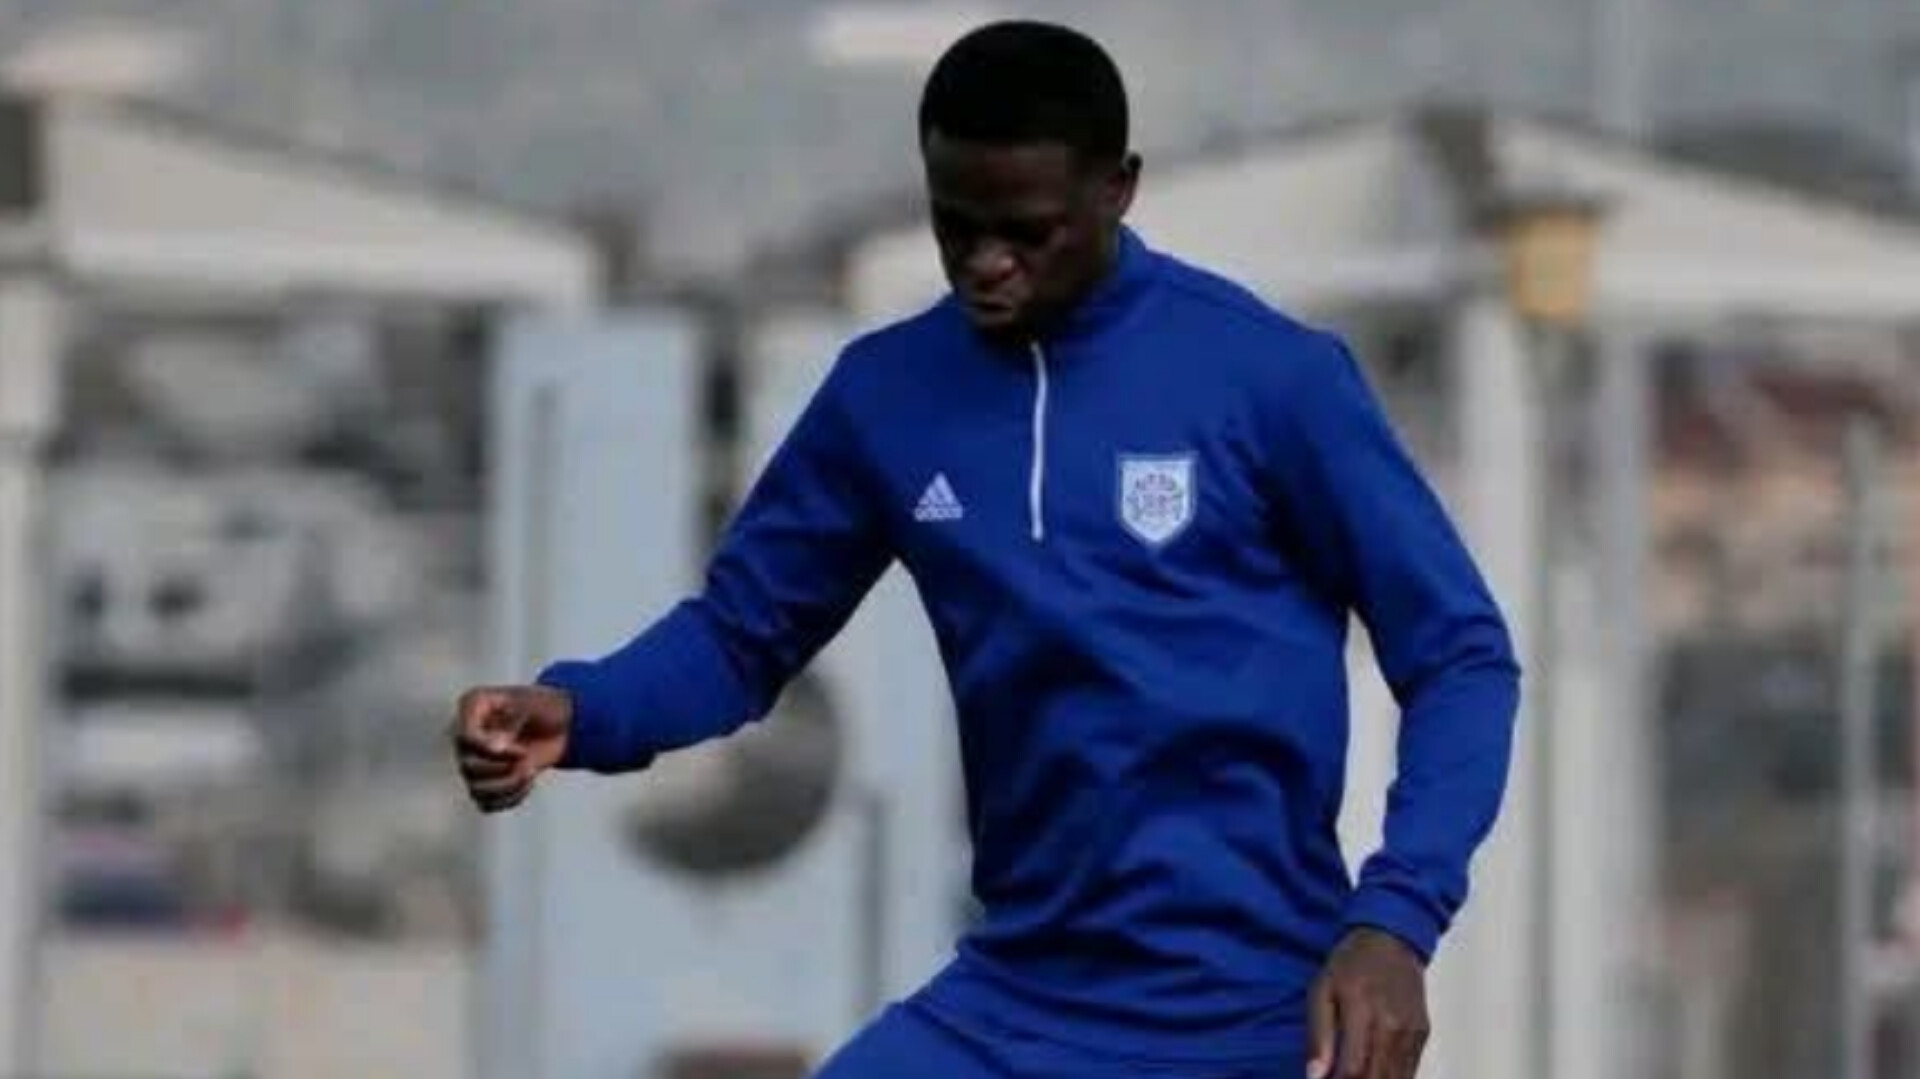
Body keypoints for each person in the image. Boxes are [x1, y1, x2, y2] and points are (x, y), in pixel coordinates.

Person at [450, 19, 1520, 1079]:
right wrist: (584, 709)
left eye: (1027, 231)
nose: (985, 262)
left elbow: (1461, 654)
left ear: (1119, 189)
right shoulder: (887, 397)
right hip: (1016, 1000)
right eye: (953, 225)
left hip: (1253, 1013)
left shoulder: (1275, 379)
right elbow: (740, 636)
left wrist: (1396, 921)